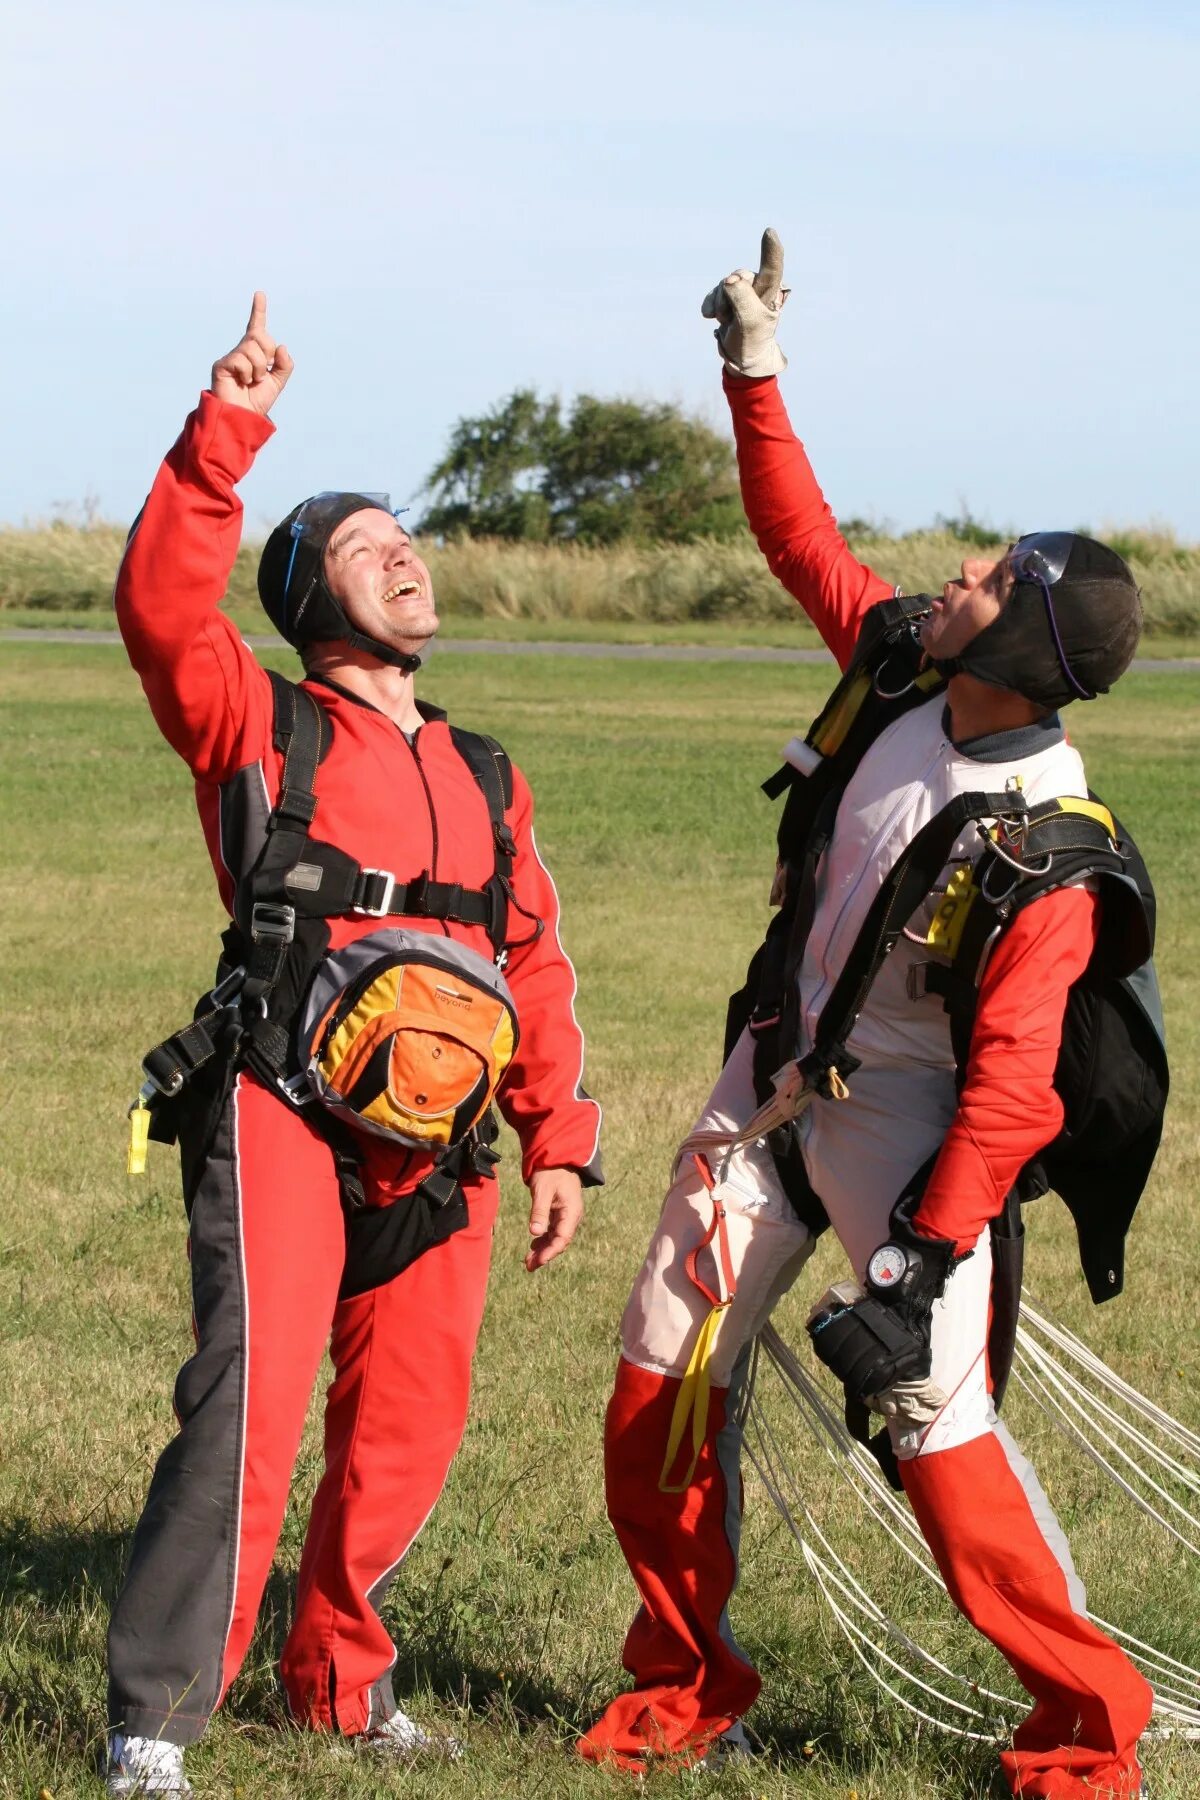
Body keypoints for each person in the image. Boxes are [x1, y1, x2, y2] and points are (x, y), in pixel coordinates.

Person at [578, 234, 1153, 1799]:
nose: (945, 580)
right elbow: (803, 541)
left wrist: (923, 1257)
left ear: (1026, 639)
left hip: (912, 1136)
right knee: (659, 1387)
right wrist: (756, 372)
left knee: (938, 1447)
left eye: (983, 578)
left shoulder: (1052, 851)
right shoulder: (904, 673)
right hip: (771, 1081)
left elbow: (1016, 1087)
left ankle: (1090, 1732)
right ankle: (689, 1688)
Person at [106, 296, 602, 1797]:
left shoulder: (482, 764)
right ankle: (154, 1722)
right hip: (282, 1106)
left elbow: (531, 955)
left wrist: (558, 1133)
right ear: (307, 594)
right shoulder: (259, 725)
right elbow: (158, 611)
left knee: (409, 1420)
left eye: (410, 536)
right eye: (364, 543)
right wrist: (227, 432)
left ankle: (338, 1679)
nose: (405, 553)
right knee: (249, 1403)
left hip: (442, 1137)